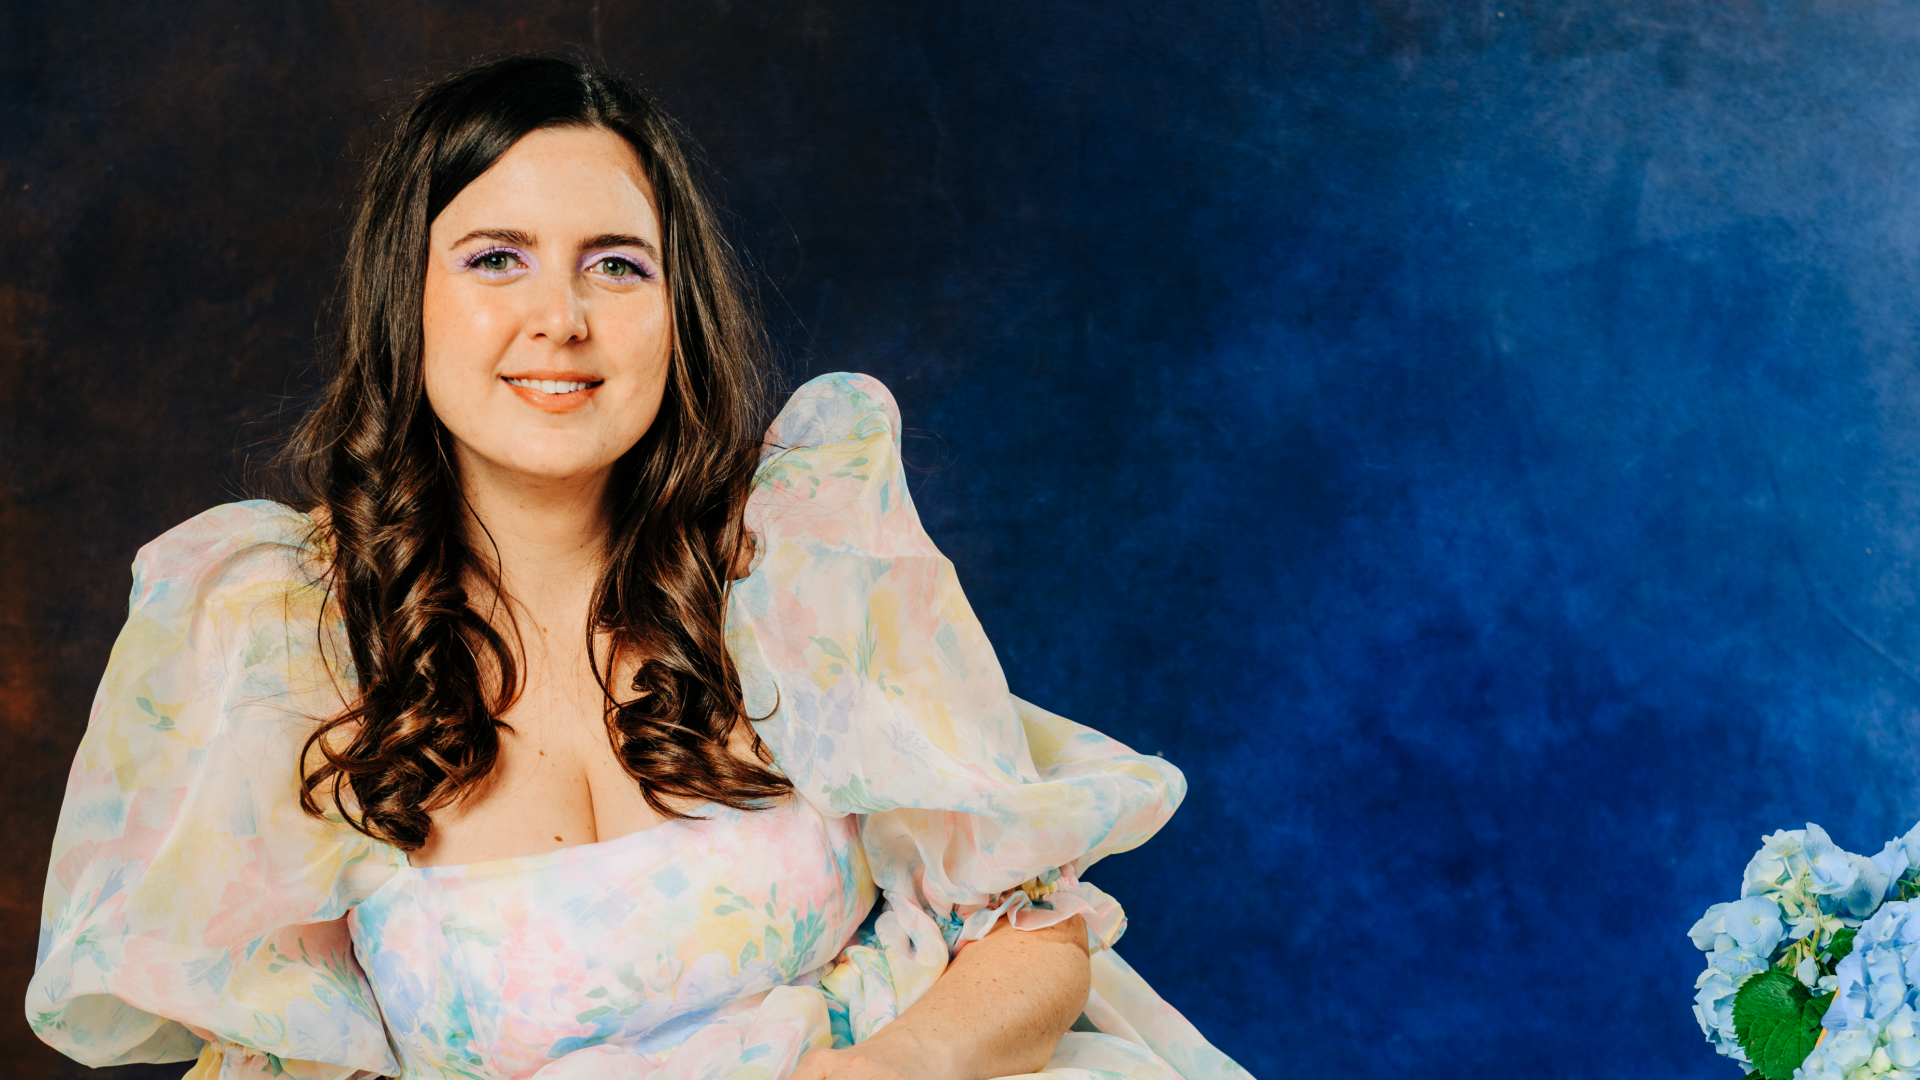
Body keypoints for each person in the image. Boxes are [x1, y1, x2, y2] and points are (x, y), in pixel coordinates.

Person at [26, 55, 1251, 1080]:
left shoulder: (801, 567)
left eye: (616, 263)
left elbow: (1032, 932)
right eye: (495, 257)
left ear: (678, 311)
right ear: (406, 299)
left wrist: (885, 1072)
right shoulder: (279, 637)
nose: (560, 316)